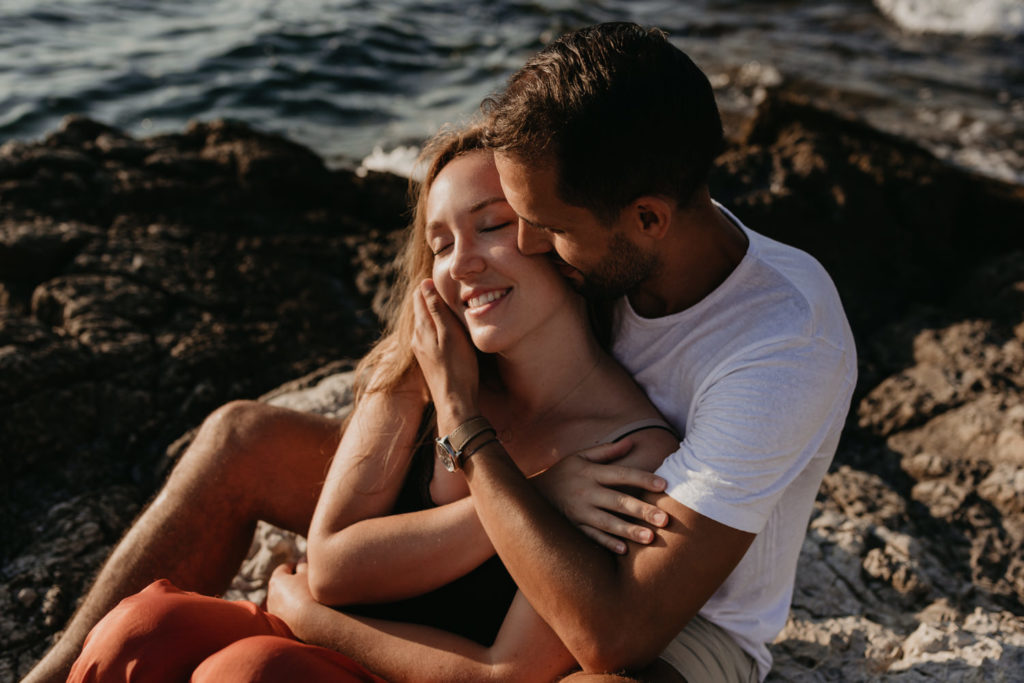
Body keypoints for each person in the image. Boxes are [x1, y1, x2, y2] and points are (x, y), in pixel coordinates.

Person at [66, 125, 684, 682]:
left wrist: (303, 613)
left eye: (492, 225)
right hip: (311, 646)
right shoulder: (422, 368)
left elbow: (507, 673)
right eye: (440, 244)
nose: (462, 263)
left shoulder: (631, 449)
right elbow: (334, 566)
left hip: (416, 673)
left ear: (560, 240)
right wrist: (539, 495)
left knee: (252, 671)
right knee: (140, 630)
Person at [405, 21, 858, 681]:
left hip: (682, 616)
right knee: (244, 440)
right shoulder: (612, 238)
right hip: (536, 506)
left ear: (648, 219)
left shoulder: (782, 345)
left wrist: (462, 424)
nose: (529, 246)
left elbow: (616, 633)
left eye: (552, 228)